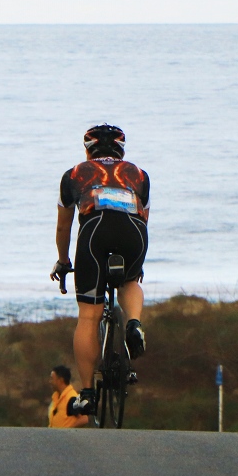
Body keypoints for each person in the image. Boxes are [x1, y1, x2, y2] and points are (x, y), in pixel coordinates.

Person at [50, 124, 149, 416]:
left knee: (89, 316)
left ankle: (88, 394)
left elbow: (63, 226)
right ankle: (133, 322)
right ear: (122, 150)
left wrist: (63, 260)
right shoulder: (140, 175)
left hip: (95, 231)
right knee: (130, 280)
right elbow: (145, 218)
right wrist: (137, 263)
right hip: (135, 232)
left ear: (87, 150)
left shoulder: (74, 175)